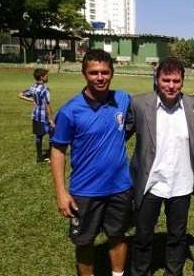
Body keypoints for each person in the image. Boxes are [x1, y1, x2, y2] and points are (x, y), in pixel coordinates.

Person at [50, 49, 132, 276]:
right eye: (94, 72)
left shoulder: (123, 100)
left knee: (117, 235)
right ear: (84, 74)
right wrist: (60, 192)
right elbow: (57, 150)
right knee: (84, 242)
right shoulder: (70, 111)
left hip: (120, 187)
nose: (100, 77)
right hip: (85, 191)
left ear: (112, 74)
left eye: (105, 72)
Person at [127, 57, 194, 276]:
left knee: (177, 237)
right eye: (166, 80)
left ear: (182, 82)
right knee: (142, 236)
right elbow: (122, 132)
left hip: (181, 183)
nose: (171, 85)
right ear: (157, 79)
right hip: (150, 183)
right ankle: (140, 272)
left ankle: (173, 272)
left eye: (176, 81)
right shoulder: (139, 104)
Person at [19, 68, 55, 163]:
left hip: (35, 115)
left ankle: (39, 157)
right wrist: (51, 120)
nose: (48, 77)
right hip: (44, 116)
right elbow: (47, 105)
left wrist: (31, 100)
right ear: (42, 77)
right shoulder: (45, 89)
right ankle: (51, 156)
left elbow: (20, 94)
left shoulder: (33, 87)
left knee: (39, 136)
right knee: (52, 134)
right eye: (47, 76)